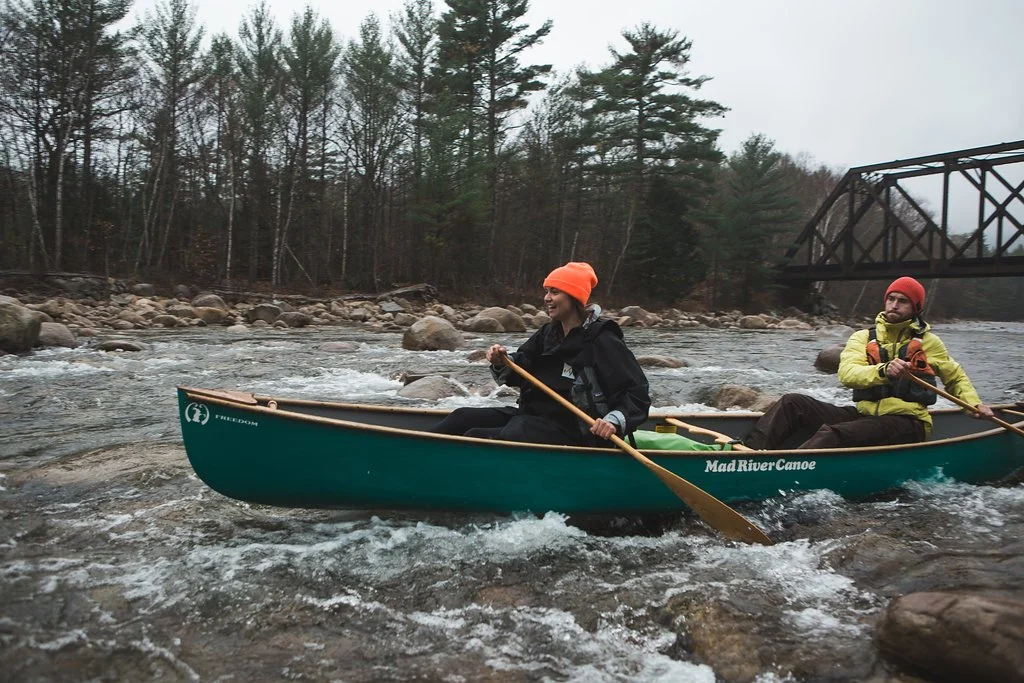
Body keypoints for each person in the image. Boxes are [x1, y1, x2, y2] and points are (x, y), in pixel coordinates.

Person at [742, 276, 994, 450]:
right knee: (791, 402)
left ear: (915, 307)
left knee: (834, 433)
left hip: (908, 423)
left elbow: (955, 377)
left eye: (903, 301)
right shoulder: (863, 337)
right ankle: (744, 455)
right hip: (864, 414)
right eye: (891, 298)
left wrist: (973, 404)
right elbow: (848, 374)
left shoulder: (929, 342)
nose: (894, 304)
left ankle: (784, 469)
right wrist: (883, 371)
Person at [431, 262, 651, 446]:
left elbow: (637, 393)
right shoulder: (549, 333)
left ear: (573, 297)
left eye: (554, 292)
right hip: (534, 417)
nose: (546, 298)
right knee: (463, 418)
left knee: (489, 435)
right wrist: (501, 362)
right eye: (547, 291)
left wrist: (613, 421)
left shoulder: (602, 339)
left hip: (578, 429)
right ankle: (422, 455)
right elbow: (519, 372)